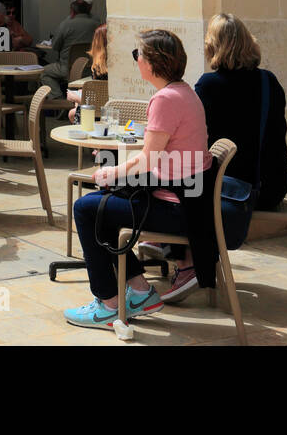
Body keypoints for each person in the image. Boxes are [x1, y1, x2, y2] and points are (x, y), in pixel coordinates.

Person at [65, 30, 213, 329]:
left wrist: (110, 172)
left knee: (86, 209)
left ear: (153, 62)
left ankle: (107, 302)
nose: (136, 60)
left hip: (176, 210)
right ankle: (140, 290)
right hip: (188, 203)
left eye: (138, 55)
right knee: (95, 205)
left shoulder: (166, 99)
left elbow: (147, 159)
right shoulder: (183, 92)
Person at [178, 14, 287, 296]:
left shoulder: (209, 85)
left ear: (213, 47)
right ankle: (180, 255)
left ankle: (187, 261)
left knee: (174, 185)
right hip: (271, 186)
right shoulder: (268, 81)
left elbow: (195, 141)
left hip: (236, 192)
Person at [42, 0, 98, 93]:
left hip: (67, 68)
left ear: (72, 10)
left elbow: (55, 46)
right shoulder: (97, 24)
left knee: (43, 72)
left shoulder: (66, 24)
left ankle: (57, 99)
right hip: (90, 68)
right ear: (89, 8)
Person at [65, 25, 109, 107]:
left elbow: (99, 104)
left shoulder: (100, 70)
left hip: (102, 111)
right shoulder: (115, 66)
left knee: (73, 112)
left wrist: (76, 98)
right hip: (112, 107)